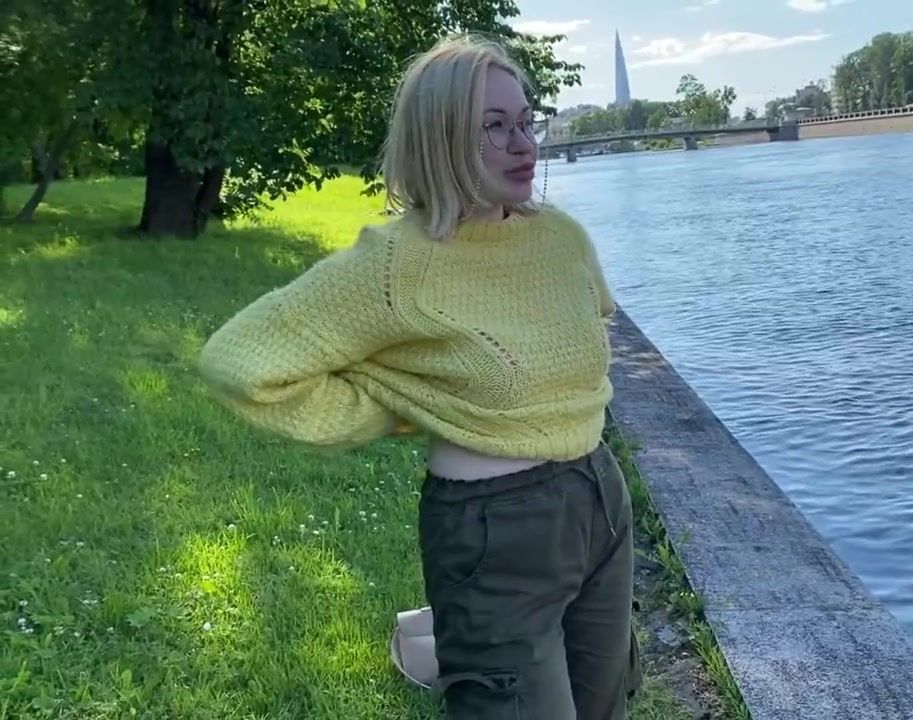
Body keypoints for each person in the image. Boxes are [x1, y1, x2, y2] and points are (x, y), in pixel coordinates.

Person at [195, 33, 642, 719]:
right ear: (440, 138)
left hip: (600, 500)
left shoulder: (560, 238)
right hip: (496, 530)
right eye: (495, 127)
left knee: (605, 706)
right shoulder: (395, 264)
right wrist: (405, 405)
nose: (523, 144)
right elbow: (240, 362)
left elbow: (591, 325)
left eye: (527, 121)